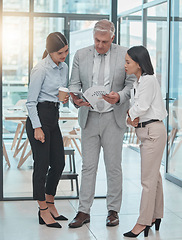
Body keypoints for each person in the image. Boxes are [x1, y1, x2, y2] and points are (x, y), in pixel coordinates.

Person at [68, 19, 135, 228]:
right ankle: (83, 211)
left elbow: (131, 84)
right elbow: (74, 83)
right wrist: (75, 98)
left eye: (104, 41)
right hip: (89, 116)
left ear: (112, 38)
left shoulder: (124, 54)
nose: (99, 45)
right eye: (97, 40)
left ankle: (113, 211)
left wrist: (120, 96)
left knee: (113, 167)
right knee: (88, 166)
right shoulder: (81, 54)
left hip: (113, 118)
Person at [26, 32, 69, 228]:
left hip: (54, 115)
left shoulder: (64, 68)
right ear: (50, 52)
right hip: (39, 117)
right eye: (60, 53)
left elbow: (58, 93)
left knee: (59, 162)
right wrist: (37, 127)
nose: (64, 56)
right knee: (42, 165)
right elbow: (31, 103)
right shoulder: (40, 69)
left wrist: (64, 99)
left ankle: (50, 202)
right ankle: (42, 210)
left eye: (66, 51)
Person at [123, 45, 167, 238]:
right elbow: (137, 109)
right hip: (146, 132)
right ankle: (156, 215)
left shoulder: (148, 81)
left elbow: (141, 107)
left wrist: (130, 115)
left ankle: (143, 222)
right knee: (154, 176)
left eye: (128, 62)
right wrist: (130, 117)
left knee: (147, 180)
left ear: (139, 64)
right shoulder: (137, 83)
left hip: (152, 132)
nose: (125, 65)